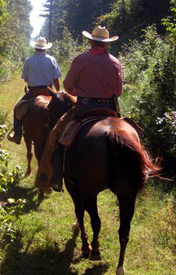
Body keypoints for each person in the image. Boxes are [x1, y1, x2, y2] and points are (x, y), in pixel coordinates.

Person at [35, 25, 123, 191]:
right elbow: (117, 92)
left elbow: (68, 86)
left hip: (84, 107)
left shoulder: (81, 59)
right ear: (107, 44)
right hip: (109, 109)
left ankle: (57, 177)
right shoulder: (114, 62)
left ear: (90, 41)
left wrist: (79, 91)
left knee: (57, 136)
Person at [7, 37, 61, 144]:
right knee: (62, 110)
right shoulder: (52, 60)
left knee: (17, 108)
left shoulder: (29, 60)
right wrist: (57, 92)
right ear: (45, 48)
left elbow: (25, 78)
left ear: (35, 48)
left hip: (33, 91)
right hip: (48, 91)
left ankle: (17, 134)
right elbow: (56, 79)